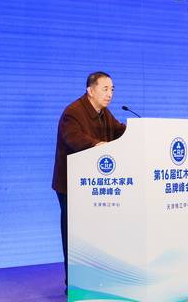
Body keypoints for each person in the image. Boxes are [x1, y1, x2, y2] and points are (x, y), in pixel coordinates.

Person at [51, 71, 126, 292]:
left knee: (98, 233)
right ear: (90, 91)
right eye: (105, 89)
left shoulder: (104, 113)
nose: (110, 94)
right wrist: (96, 145)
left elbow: (119, 131)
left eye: (112, 89)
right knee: (74, 235)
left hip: (94, 186)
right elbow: (74, 139)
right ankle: (74, 284)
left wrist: (139, 133)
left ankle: (99, 279)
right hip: (71, 186)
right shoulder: (73, 112)